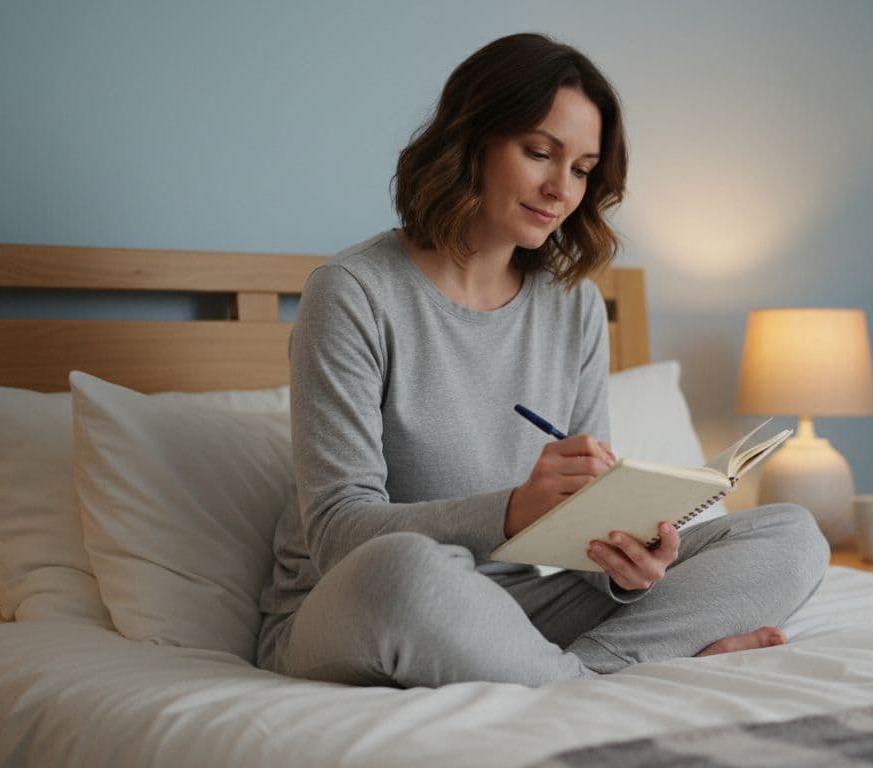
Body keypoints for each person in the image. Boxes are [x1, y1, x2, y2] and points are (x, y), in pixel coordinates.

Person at [256, 32, 829, 688]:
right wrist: (511, 511)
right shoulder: (354, 293)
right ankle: (614, 681)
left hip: (523, 609)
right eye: (539, 153)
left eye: (582, 169)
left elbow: (583, 527)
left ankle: (584, 678)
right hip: (363, 603)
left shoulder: (574, 306)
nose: (561, 189)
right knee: (405, 569)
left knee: (791, 534)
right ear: (471, 141)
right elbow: (337, 532)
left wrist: (623, 566)